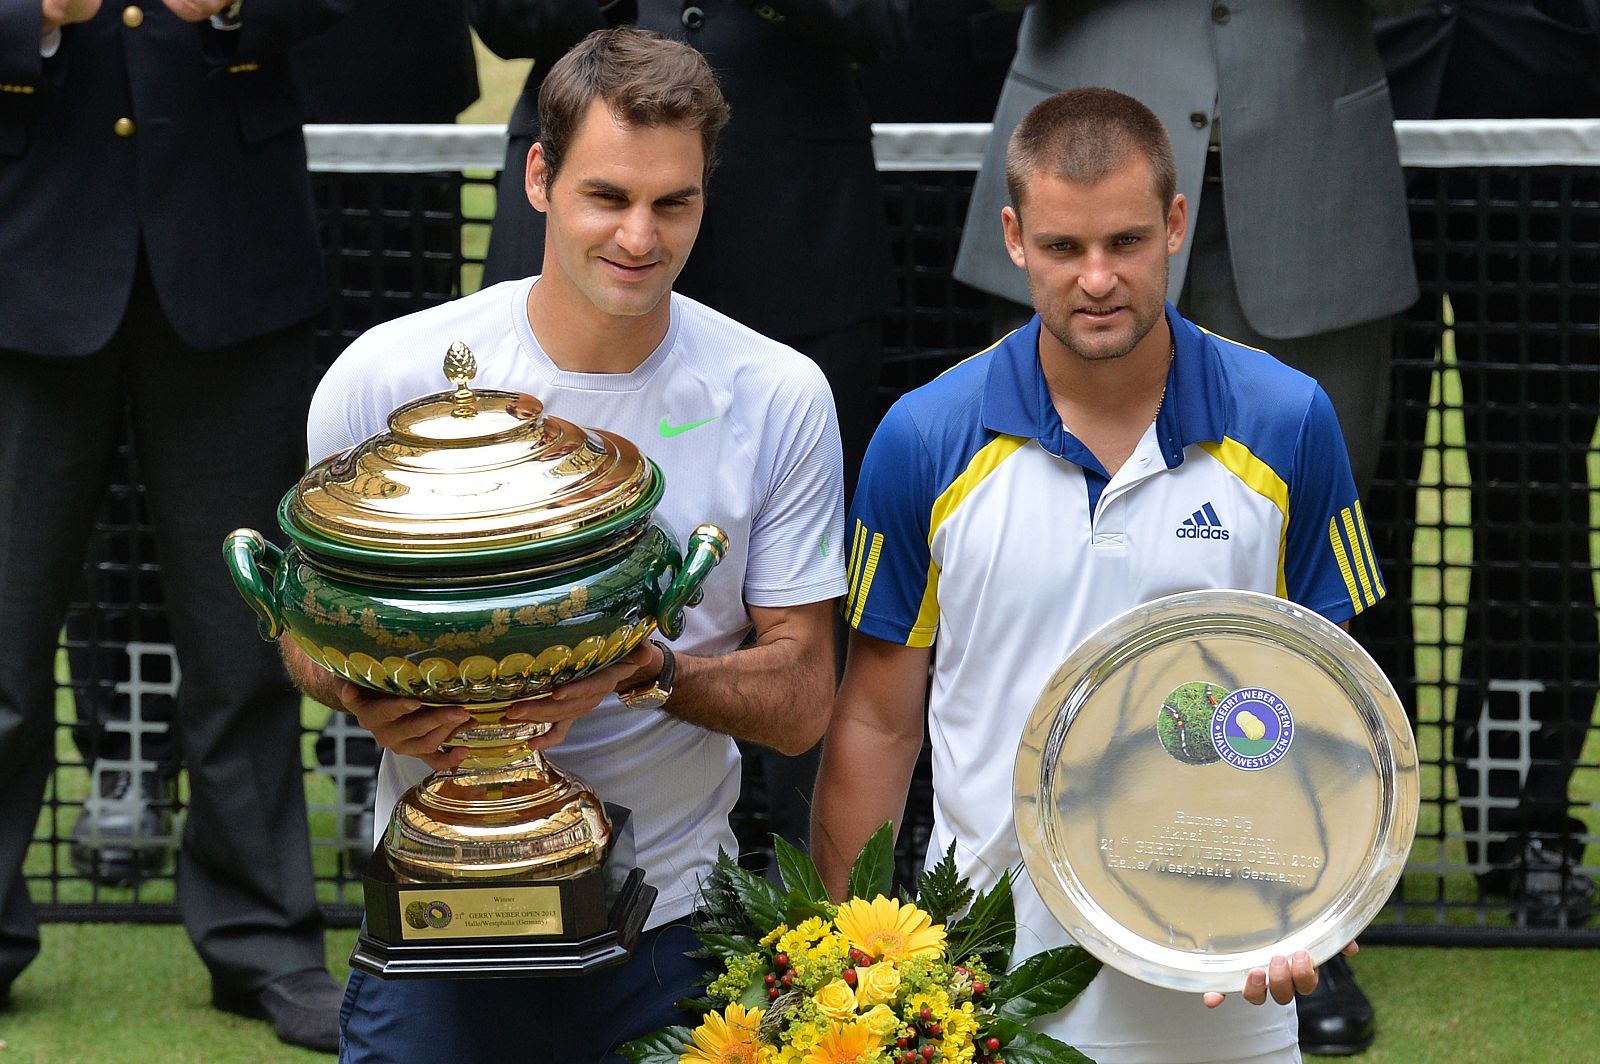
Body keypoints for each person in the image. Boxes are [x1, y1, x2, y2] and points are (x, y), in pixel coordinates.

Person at [285, 27, 845, 1062]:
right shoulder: (382, 376)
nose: (640, 235)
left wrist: (645, 669)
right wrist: (370, 692)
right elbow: (307, 629)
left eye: (672, 202)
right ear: (538, 177)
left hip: (675, 918)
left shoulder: (777, 393)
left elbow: (805, 698)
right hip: (436, 912)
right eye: (608, 196)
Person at [812, 87, 1386, 1064]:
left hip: (1222, 979)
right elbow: (876, 719)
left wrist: (1319, 905)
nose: (1095, 278)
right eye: (1062, 247)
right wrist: (854, 957)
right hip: (982, 982)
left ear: (1175, 223)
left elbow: (1333, 700)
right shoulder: (922, 439)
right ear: (1012, 236)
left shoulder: (1289, 420)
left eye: (1123, 241)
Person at [950, 3, 1423, 1053]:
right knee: (1041, 563)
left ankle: (1313, 925)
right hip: (1081, 149)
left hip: (1309, 184)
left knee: (1301, 596)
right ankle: (1029, 905)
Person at [468, 0, 908, 871]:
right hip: (568, 236)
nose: (644, 226)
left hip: (797, 232)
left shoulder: (784, 384)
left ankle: (808, 945)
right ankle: (508, 866)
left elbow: (889, 24)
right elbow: (507, 16)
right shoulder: (396, 364)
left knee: (804, 613)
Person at [0, 0, 353, 1051]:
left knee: (245, 642)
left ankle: (264, 941)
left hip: (231, 257)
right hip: (21, 259)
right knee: (2, 649)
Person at [1358, 0, 1600, 928]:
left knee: (1539, 495)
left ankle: (1528, 821)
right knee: (1362, 493)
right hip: (1360, 117)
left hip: (1554, 116)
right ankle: (1364, 817)